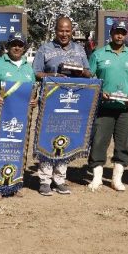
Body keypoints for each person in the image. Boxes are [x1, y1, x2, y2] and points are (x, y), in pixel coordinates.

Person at [32, 16, 92, 196]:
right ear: (55, 30)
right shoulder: (45, 49)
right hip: (50, 101)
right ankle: (44, 179)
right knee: (47, 136)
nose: (64, 34)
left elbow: (88, 73)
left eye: (67, 31)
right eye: (61, 30)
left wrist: (79, 71)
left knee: (66, 136)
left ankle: (60, 178)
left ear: (72, 31)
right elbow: (36, 73)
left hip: (72, 101)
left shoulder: (80, 50)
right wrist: (53, 76)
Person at [87, 20, 128, 192]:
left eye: (122, 32)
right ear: (111, 34)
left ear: (126, 35)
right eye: (116, 32)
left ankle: (116, 179)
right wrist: (99, 91)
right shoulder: (98, 54)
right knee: (99, 141)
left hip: (126, 108)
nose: (119, 35)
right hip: (104, 106)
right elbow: (91, 78)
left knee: (123, 142)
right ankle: (97, 178)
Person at [0, 32, 37, 201]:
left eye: (20, 45)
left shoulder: (28, 67)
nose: (17, 47)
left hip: (23, 117)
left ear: (25, 48)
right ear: (8, 46)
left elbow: (32, 90)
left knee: (19, 148)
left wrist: (34, 100)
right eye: (13, 44)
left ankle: (15, 184)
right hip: (3, 115)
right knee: (2, 147)